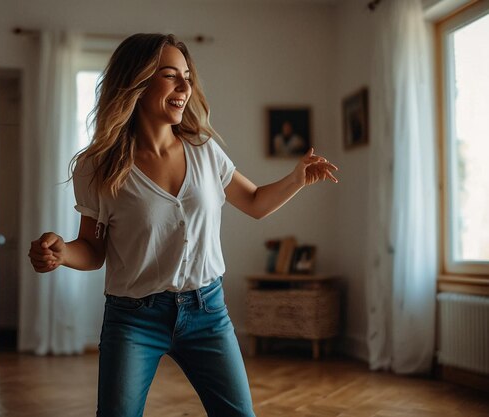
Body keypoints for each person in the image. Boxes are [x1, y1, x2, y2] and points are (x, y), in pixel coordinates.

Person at [28, 33, 338, 417]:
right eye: (170, 75)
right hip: (133, 319)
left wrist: (296, 178)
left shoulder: (204, 150)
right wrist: (60, 253)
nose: (185, 85)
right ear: (137, 83)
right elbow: (92, 251)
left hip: (207, 312)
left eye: (187, 75)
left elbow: (256, 202)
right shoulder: (98, 166)